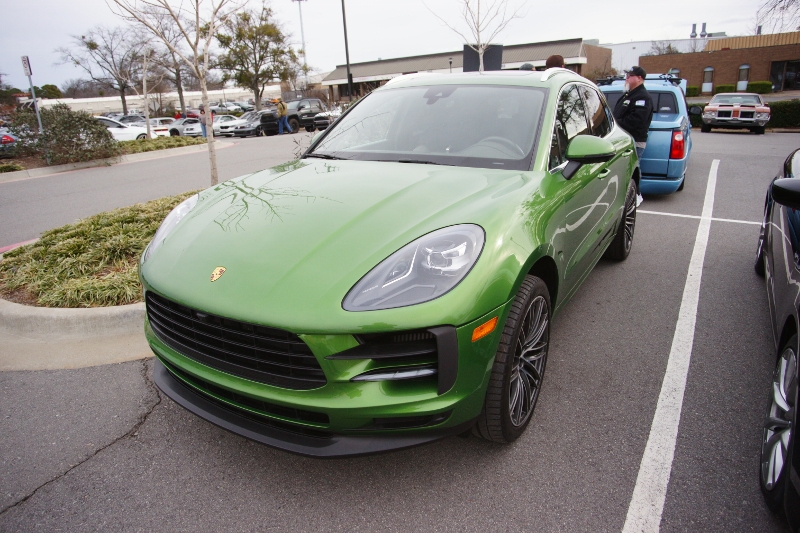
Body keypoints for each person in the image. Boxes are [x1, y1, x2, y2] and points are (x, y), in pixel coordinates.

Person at [612, 66, 653, 160]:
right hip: (623, 140)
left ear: (639, 78)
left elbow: (636, 120)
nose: (627, 78)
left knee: (630, 168)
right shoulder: (628, 95)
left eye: (630, 75)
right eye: (627, 75)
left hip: (634, 142)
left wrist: (614, 123)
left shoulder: (643, 97)